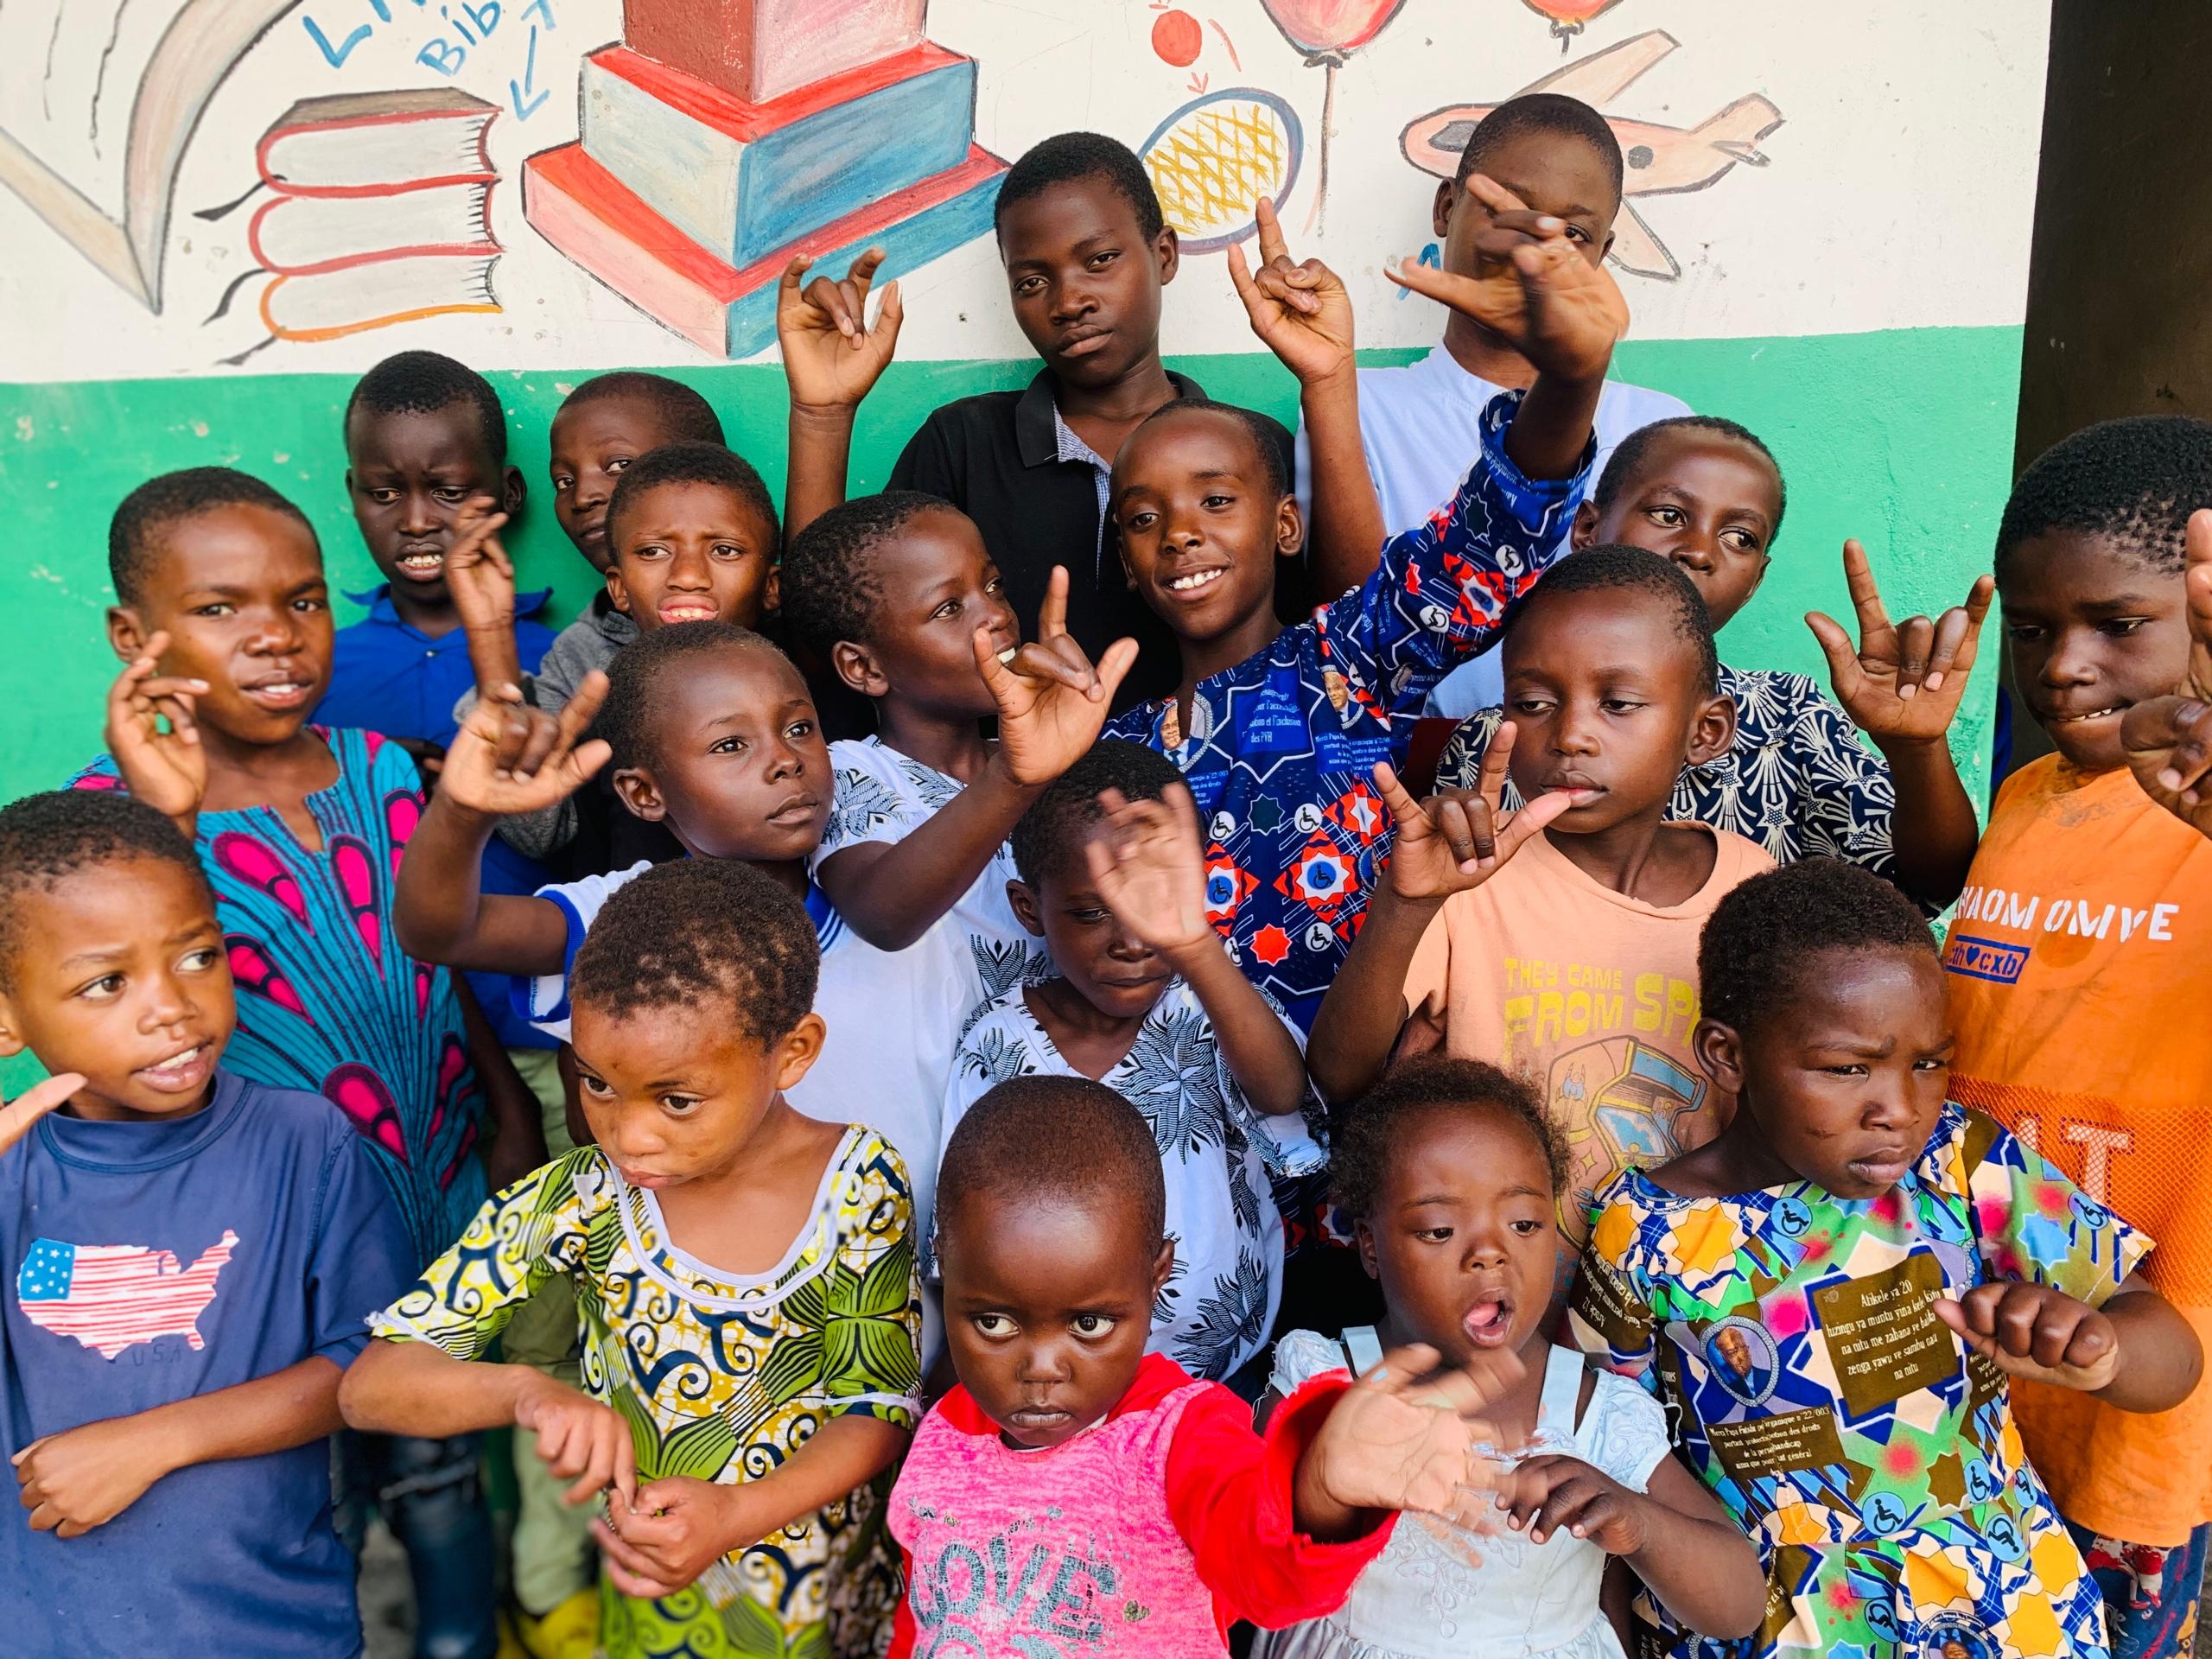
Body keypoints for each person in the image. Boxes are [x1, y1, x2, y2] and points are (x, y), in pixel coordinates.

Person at [76, 465, 538, 1659]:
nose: (275, 636)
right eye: (222, 608)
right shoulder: (109, 829)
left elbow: (429, 956)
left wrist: (500, 1103)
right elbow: (127, 1016)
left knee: (438, 1469)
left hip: (429, 1183)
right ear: (138, 637)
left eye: (304, 599)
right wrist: (163, 815)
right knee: (295, 1480)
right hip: (261, 1226)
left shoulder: (384, 768)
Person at [393, 620, 1103, 1367]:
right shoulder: (624, 923)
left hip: (931, 1339)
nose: (786, 762)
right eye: (732, 745)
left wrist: (1017, 775)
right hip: (727, 1354)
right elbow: (444, 930)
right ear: (642, 792)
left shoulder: (901, 902)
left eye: (800, 728)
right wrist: (463, 814)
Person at [1574, 857, 2203, 1659]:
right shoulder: (1642, 1233)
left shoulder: (1964, 1163)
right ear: (1727, 1056)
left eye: (1928, 1064)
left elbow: (2174, 1359)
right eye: (1847, 1069)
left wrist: (2101, 1349)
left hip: (2009, 1607)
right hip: (1780, 1624)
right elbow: (1614, 1456)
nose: (1900, 1111)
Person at [342, 858, 922, 1659]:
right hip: (658, 1610)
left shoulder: (859, 1185)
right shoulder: (579, 1200)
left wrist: (738, 1516)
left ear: (793, 1054)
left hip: (835, 1597)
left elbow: (879, 1406)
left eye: (676, 1099)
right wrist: (527, 1394)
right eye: (597, 1084)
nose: (628, 1135)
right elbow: (373, 1387)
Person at [1100, 195, 1621, 1033]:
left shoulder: (1349, 662)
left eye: (1216, 498)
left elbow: (1485, 544)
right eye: (1141, 517)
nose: (1180, 533)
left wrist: (1569, 379)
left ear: (1284, 523)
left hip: (1360, 1105)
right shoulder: (1113, 749)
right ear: (1124, 561)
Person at [890, 1072, 1523, 1656]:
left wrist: (1321, 1495)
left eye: (1089, 1325)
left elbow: (1267, 1576)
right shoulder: (944, 1436)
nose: (1041, 1368)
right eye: (994, 1323)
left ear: (1156, 1273)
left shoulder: (1182, 1439)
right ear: (946, 1262)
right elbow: (923, 1621)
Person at [0, 788, 413, 1656]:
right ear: (8, 1018)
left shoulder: (305, 1143)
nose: (171, 1007)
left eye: (198, 956)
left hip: (270, 1628)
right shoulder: (11, 1171)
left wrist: (155, 1442)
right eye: (107, 982)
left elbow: (374, 1363)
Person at [1942, 419, 2212, 1659]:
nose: (2062, 668)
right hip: (1975, 1376)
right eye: (2038, 631)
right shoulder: (2025, 800)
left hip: (2138, 1400)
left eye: (2118, 623)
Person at [1306, 548, 1773, 1255]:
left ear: (1703, 731)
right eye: (1533, 703)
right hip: (1502, 1300)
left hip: (1693, 1287)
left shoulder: (1750, 887)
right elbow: (1339, 1074)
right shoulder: (1469, 879)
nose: (1571, 736)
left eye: (1617, 704)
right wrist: (1406, 904)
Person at [1255, 1055, 1764, 1659]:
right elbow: (1249, 1554)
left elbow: (1737, 1608)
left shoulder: (1593, 1411)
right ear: (1369, 1244)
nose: (1489, 1254)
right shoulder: (1324, 1381)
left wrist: (1638, 1524)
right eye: (1440, 1231)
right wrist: (1331, 1484)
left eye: (1524, 1223)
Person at [1435, 416, 1988, 910]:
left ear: (1756, 581)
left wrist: (1917, 752)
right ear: (1586, 530)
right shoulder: (1496, 744)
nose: (1700, 550)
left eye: (1739, 537)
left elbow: (1929, 884)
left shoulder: (1788, 718)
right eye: (1669, 514)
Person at [1295, 94, 1692, 717]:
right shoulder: (1359, 399)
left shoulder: (1659, 430)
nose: (1534, 248)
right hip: (1408, 775)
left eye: (1572, 233)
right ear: (1447, 207)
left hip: (1594, 776)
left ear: (1601, 256)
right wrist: (1328, 389)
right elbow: (1357, 623)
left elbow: (1673, 632)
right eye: (1507, 210)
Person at [941, 741, 1321, 1385]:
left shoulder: (1210, 1006)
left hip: (1219, 1383)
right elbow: (962, 1235)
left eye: (1157, 906)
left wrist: (1195, 946)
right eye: (1092, 913)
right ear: (1029, 907)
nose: (1133, 940)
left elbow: (1283, 1095)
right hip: (1050, 1385)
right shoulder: (996, 1041)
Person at [875, 133, 1296, 702]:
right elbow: (864, 628)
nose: (1068, 302)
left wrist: (1326, 382)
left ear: (1164, 255)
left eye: (1099, 261)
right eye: (1031, 282)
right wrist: (823, 415)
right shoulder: (963, 447)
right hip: (1018, 780)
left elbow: (1332, 610)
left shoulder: (1248, 447)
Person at [782, 489, 1133, 995]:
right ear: (864, 667)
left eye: (993, 586)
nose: (995, 615)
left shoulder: (1058, 769)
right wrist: (1015, 775)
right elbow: (885, 918)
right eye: (949, 607)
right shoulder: (849, 772)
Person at [446, 441, 781, 872]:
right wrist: (491, 637)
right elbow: (539, 832)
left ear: (773, 587)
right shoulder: (590, 677)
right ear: (618, 589)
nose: (688, 576)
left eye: (724, 550)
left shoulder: (792, 673)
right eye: (654, 551)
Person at [318, 349, 552, 764]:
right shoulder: (312, 672)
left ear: (509, 493)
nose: (416, 522)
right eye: (384, 494)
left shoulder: (564, 664)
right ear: (352, 494)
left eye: (449, 492)